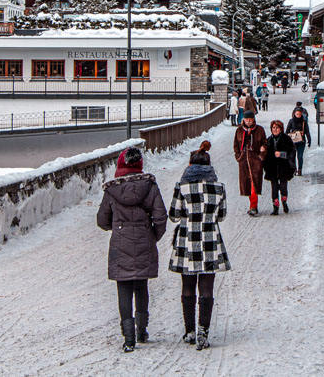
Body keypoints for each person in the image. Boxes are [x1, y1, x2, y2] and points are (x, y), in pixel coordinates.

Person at [97, 147, 168, 352]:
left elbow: (102, 220)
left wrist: (118, 229)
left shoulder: (111, 190)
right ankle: (142, 330)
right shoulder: (150, 186)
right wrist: (151, 236)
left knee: (124, 288)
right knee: (141, 285)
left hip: (121, 243)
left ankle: (128, 337)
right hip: (145, 239)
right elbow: (161, 218)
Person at [169, 142, 231, 351]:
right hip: (210, 241)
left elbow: (174, 215)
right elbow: (221, 216)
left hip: (187, 241)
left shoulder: (182, 187)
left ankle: (189, 330)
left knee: (187, 287)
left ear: (190, 166)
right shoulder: (218, 188)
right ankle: (203, 331)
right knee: (206, 288)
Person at [233, 111, 267, 216]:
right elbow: (235, 145)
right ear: (243, 119)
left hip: (255, 161)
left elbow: (265, 143)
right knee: (247, 184)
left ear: (253, 119)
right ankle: (252, 205)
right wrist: (238, 156)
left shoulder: (260, 130)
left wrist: (261, 154)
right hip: (243, 161)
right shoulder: (239, 131)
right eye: (246, 119)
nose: (248, 121)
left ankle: (253, 206)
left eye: (250, 119)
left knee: (254, 184)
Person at [264, 120, 296, 214]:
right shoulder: (269, 140)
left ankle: (284, 202)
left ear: (281, 129)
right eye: (273, 128)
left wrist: (282, 154)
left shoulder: (286, 139)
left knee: (283, 187)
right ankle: (275, 207)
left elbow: (292, 152)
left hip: (284, 167)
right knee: (274, 188)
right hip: (273, 168)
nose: (275, 129)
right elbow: (266, 155)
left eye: (277, 128)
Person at [286, 106, 312, 176]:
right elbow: (287, 131)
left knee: (300, 156)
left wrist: (309, 140)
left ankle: (300, 169)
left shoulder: (304, 122)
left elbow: (307, 131)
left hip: (301, 141)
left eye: (299, 114)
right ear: (294, 114)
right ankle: (294, 169)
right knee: (292, 156)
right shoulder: (291, 121)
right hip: (293, 141)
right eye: (297, 114)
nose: (298, 116)